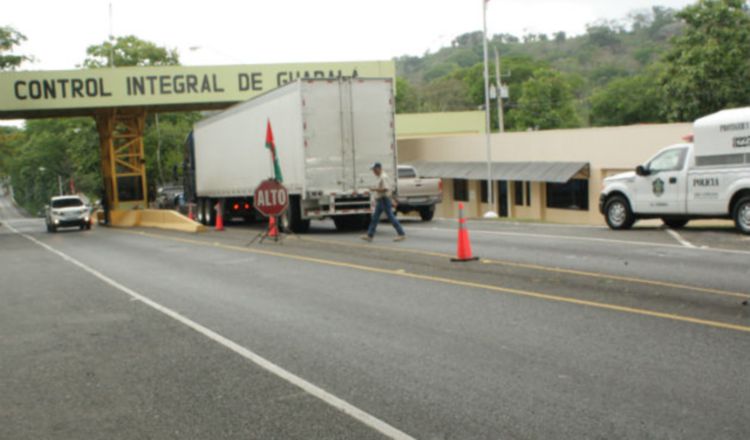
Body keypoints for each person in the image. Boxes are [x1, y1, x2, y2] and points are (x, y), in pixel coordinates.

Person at [362, 162, 405, 242]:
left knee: (391, 217)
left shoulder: (383, 177)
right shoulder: (379, 177)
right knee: (375, 218)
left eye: (374, 170)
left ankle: (401, 233)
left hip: (384, 199)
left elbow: (386, 189)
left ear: (378, 168)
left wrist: (374, 189)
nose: (373, 172)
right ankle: (370, 235)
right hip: (381, 200)